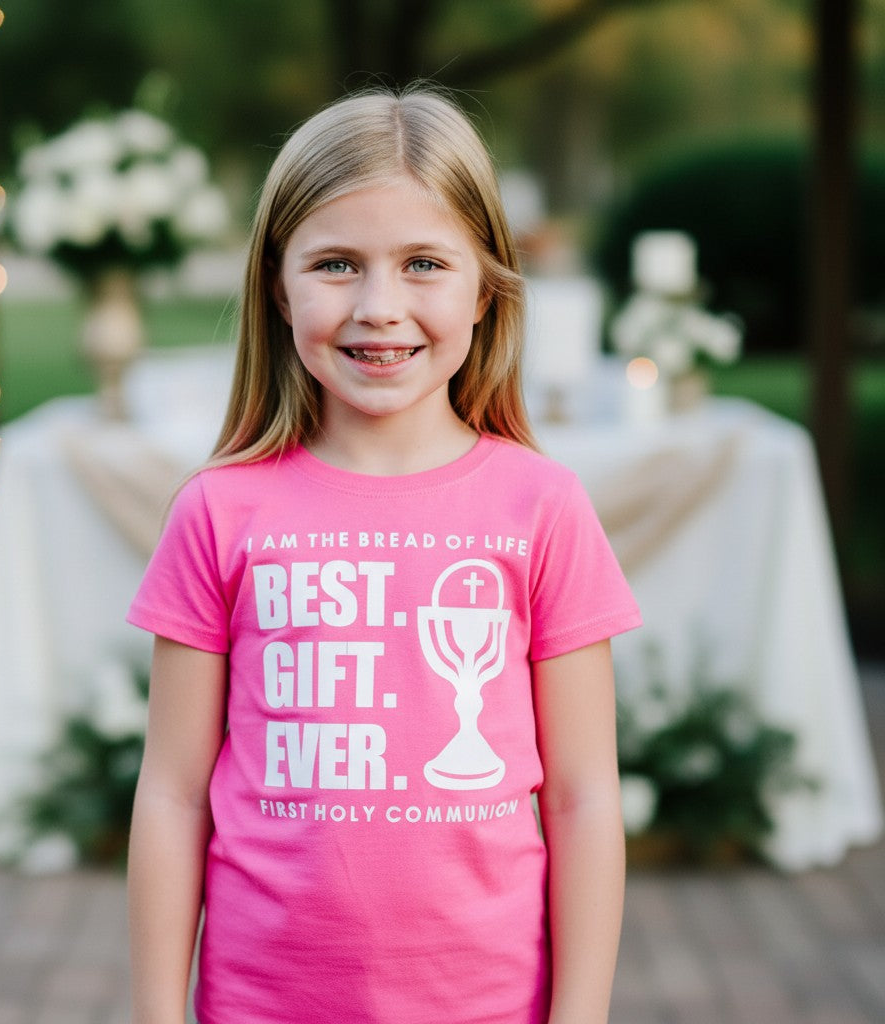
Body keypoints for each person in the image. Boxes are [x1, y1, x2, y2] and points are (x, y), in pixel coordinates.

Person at [126, 87, 641, 1024]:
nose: (378, 307)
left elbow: (581, 796)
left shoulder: (542, 506)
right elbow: (171, 792)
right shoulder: (219, 513)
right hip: (261, 1006)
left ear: (484, 288)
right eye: (335, 263)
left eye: (423, 264)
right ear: (278, 287)